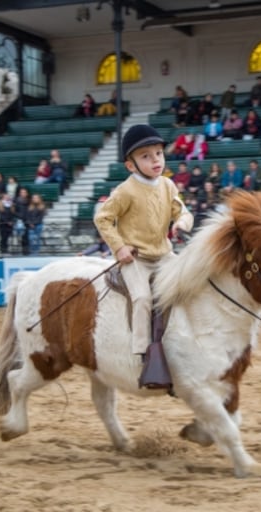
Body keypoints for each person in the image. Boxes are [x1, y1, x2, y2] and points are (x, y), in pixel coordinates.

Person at [93, 124, 194, 386]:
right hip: (136, 259)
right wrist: (119, 247)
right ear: (131, 165)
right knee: (141, 298)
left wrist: (182, 222)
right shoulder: (125, 191)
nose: (155, 160)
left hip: (164, 255)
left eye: (158, 153)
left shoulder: (169, 185)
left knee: (193, 284)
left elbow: (183, 212)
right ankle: (144, 353)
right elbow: (103, 218)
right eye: (146, 156)